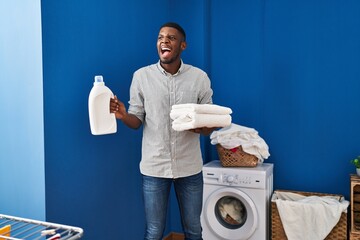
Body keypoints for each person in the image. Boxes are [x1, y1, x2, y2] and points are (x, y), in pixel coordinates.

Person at [110, 22, 214, 240]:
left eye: (171, 38)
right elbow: (137, 120)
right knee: (154, 232)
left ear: (183, 45)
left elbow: (207, 125)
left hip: (189, 167)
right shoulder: (141, 77)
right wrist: (123, 115)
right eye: (160, 37)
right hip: (154, 167)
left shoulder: (199, 78)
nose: (164, 41)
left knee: (195, 230)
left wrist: (203, 126)